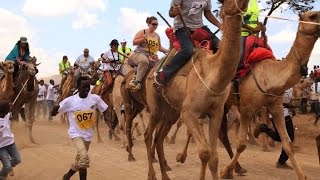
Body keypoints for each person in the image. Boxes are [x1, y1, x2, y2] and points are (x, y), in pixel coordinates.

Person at [51, 77, 116, 180]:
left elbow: (105, 109)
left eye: (88, 87)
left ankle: (66, 177)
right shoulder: (70, 101)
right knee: (84, 158)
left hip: (88, 135)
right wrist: (54, 109)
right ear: (77, 87)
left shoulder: (95, 98)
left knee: (80, 160)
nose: (87, 89)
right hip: (75, 134)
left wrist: (109, 117)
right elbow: (53, 113)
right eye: (84, 87)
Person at [154, 0, 221, 86]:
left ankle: (218, 76)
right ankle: (165, 73)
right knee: (188, 50)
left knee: (220, 46)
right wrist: (174, 12)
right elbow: (170, 12)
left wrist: (219, 24)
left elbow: (207, 13)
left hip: (199, 26)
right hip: (181, 27)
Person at [254, 88, 295, 169]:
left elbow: (287, 100)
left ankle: (281, 162)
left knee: (287, 138)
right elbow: (271, 100)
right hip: (277, 115)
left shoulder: (290, 87)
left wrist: (291, 107)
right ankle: (263, 128)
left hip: (286, 115)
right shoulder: (279, 85)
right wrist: (286, 105)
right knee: (285, 138)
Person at [129, 16, 169, 90]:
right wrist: (142, 38)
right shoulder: (142, 32)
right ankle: (137, 82)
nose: (155, 26)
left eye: (157, 24)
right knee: (144, 61)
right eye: (153, 24)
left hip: (151, 55)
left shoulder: (157, 35)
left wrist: (169, 51)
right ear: (149, 24)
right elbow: (134, 42)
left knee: (162, 65)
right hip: (139, 53)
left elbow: (159, 47)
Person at [239, 0, 265, 67]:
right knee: (240, 55)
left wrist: (260, 25)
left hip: (253, 35)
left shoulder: (254, 1)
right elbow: (239, 21)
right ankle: (231, 76)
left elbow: (254, 17)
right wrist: (253, 29)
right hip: (241, 34)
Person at [0, 101, 22, 179]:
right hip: (1, 147)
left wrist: (10, 106)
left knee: (18, 160)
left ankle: (9, 168)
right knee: (7, 166)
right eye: (7, 109)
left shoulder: (7, 115)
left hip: (10, 143)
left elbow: (11, 111)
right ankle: (2, 177)